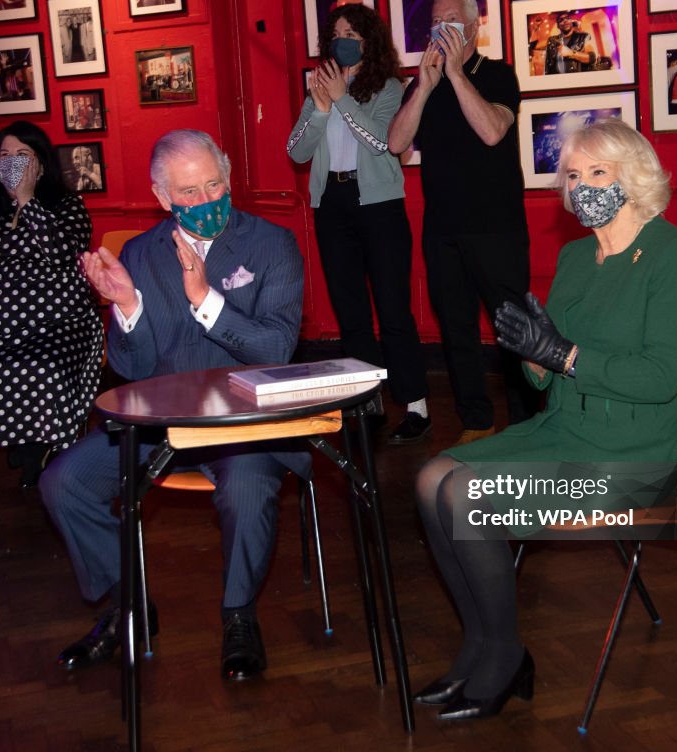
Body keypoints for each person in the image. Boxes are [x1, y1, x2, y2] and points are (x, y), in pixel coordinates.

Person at [413, 119, 677, 720]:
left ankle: (504, 657)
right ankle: (481, 644)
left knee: (468, 493)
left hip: (636, 451)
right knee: (428, 479)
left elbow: (660, 378)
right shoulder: (575, 256)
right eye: (573, 175)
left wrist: (564, 355)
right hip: (564, 429)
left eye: (598, 173)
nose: (582, 187)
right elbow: (545, 378)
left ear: (634, 176)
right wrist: (533, 353)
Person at [40, 130, 309, 682]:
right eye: (191, 193)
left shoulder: (271, 244)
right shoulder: (141, 252)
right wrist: (127, 306)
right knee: (62, 483)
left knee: (249, 486)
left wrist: (205, 299)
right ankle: (127, 604)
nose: (208, 199)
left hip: (242, 426)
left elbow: (276, 349)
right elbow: (133, 369)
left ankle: (238, 615)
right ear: (163, 198)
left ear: (228, 177)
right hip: (161, 427)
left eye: (215, 183)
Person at [389, 0, 536, 446]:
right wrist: (427, 85)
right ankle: (476, 421)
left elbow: (493, 130)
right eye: (434, 21)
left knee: (514, 329)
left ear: (473, 28)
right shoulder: (425, 81)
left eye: (450, 18)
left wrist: (455, 74)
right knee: (456, 331)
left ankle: (530, 426)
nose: (440, 27)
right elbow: (396, 143)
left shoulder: (497, 74)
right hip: (443, 230)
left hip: (497, 228)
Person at [287, 4, 430, 444]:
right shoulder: (319, 91)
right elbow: (296, 150)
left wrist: (342, 99)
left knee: (392, 309)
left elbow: (382, 143)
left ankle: (415, 404)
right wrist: (321, 107)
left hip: (380, 205)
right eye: (336, 32)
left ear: (369, 40)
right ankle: (366, 406)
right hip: (333, 203)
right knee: (351, 313)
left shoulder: (389, 87)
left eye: (352, 31)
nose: (342, 38)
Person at [0, 121, 102, 487]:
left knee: (40, 366)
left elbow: (62, 253)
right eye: (4, 156)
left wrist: (28, 200)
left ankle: (42, 446)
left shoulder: (67, 205)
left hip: (59, 324)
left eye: (22, 155)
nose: (11, 162)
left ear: (41, 164)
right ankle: (22, 436)